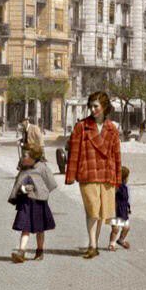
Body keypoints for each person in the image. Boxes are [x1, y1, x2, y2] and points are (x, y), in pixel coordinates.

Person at [65, 91, 122, 259]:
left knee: (101, 212)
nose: (92, 109)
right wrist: (70, 175)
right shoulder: (81, 127)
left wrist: (118, 177)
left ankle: (94, 245)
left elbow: (117, 155)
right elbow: (74, 152)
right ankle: (91, 244)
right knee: (92, 210)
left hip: (106, 174)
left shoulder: (112, 128)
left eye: (96, 106)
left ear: (104, 107)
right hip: (88, 172)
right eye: (90, 106)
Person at [7, 145, 57, 263]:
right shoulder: (24, 168)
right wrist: (22, 190)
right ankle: (21, 252)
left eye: (26, 156)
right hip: (25, 203)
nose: (23, 157)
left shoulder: (42, 168)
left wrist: (39, 191)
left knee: (40, 229)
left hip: (38, 203)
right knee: (25, 227)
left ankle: (39, 251)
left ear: (34, 158)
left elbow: (51, 184)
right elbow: (18, 182)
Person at [107, 165, 132, 251]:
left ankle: (121, 240)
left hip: (123, 211)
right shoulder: (117, 186)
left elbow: (127, 199)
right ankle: (112, 244)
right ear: (124, 177)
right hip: (116, 211)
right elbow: (111, 194)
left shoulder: (126, 187)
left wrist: (128, 207)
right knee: (115, 229)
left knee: (126, 228)